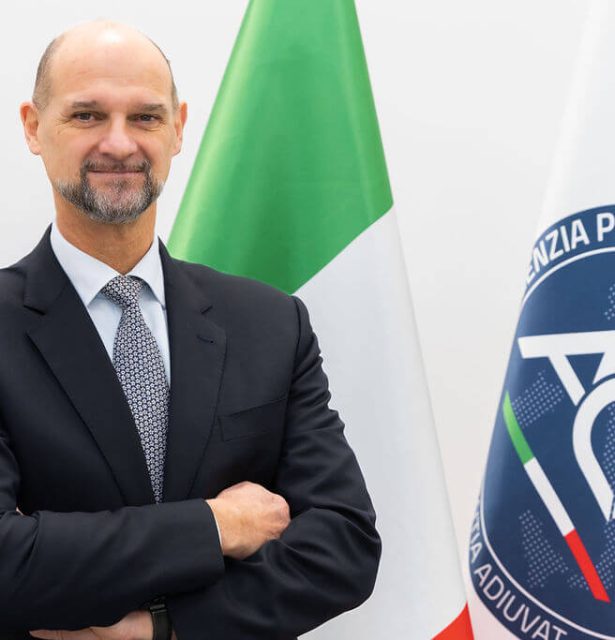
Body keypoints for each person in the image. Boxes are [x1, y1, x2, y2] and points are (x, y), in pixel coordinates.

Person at [0, 19, 381, 640]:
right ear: (33, 127)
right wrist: (216, 525)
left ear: (178, 129)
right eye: (87, 115)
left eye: (145, 117)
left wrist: (164, 628)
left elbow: (345, 543)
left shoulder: (270, 323)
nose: (119, 143)